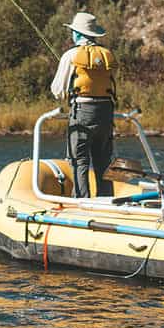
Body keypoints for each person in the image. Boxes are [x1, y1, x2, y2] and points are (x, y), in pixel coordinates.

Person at [49, 12, 117, 198]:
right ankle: (105, 200)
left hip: (82, 112)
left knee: (79, 160)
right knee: (103, 160)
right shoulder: (106, 55)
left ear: (77, 34)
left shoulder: (70, 55)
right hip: (106, 113)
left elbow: (57, 91)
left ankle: (82, 201)